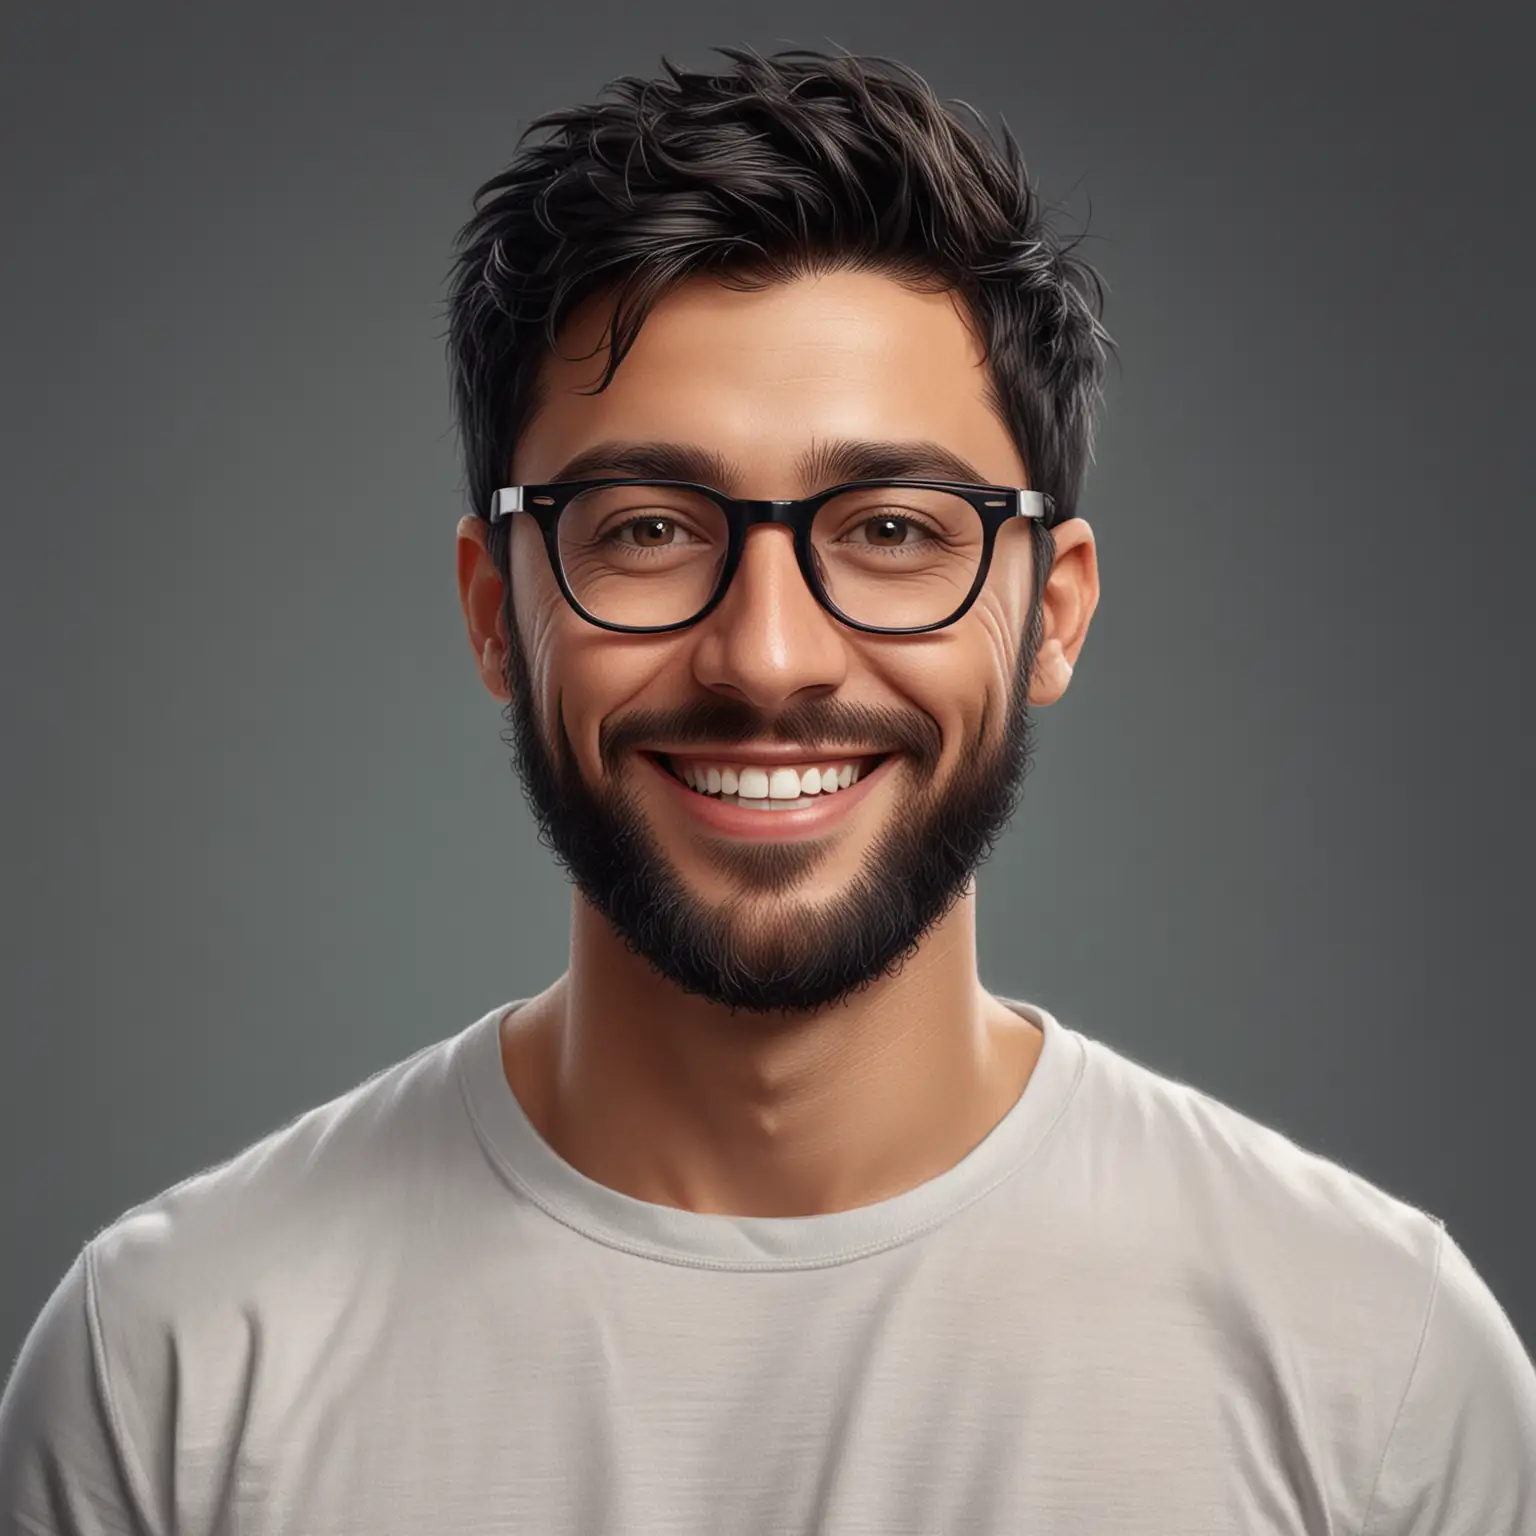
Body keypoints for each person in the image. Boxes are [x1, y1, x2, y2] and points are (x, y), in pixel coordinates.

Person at [2, 46, 1532, 1536]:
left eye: (894, 529)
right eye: (649, 529)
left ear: (1055, 610)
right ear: (491, 612)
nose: (770, 656)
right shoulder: (175, 1370)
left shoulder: (1375, 1375)